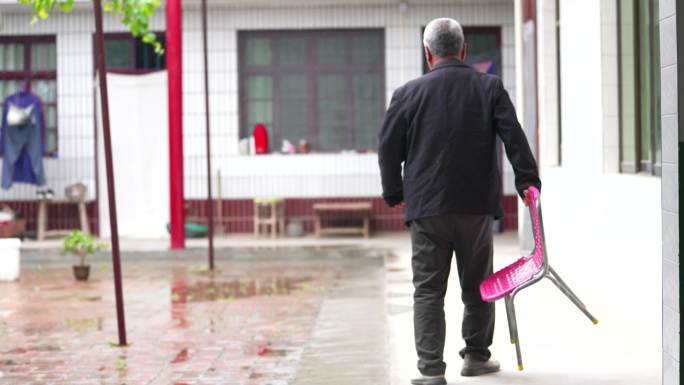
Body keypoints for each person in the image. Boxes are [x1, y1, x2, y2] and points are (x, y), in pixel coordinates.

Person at [378, 17, 541, 385]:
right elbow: (513, 136)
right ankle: (477, 357)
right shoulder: (489, 87)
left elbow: (388, 149)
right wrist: (527, 181)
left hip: (426, 208)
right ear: (464, 50)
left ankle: (432, 370)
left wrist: (394, 192)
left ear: (427, 53)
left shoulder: (407, 94)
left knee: (429, 290)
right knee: (478, 284)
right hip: (475, 207)